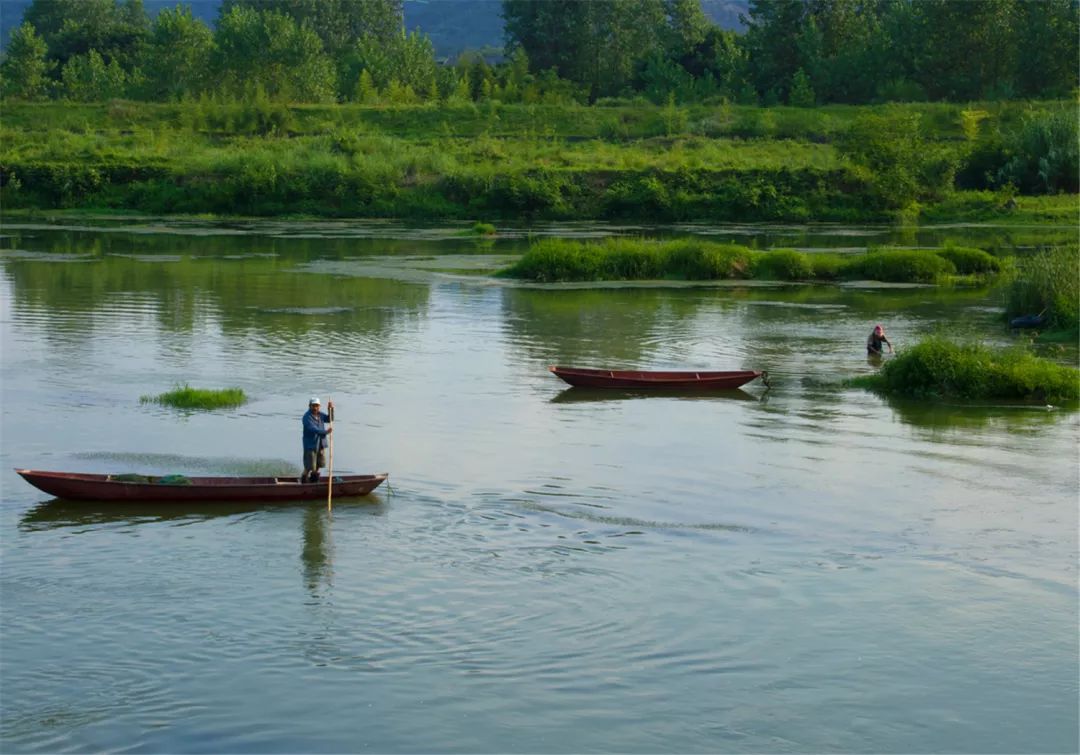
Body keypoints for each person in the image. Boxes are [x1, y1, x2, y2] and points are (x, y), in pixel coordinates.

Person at [301, 397, 334, 483]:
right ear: (310, 406)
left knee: (319, 464)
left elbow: (330, 419)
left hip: (321, 444)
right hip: (310, 445)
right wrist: (325, 432)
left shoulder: (320, 415)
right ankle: (303, 481)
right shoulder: (306, 417)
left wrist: (330, 409)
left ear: (319, 406)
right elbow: (313, 429)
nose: (315, 408)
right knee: (309, 466)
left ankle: (314, 481)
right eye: (313, 406)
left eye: (317, 406)